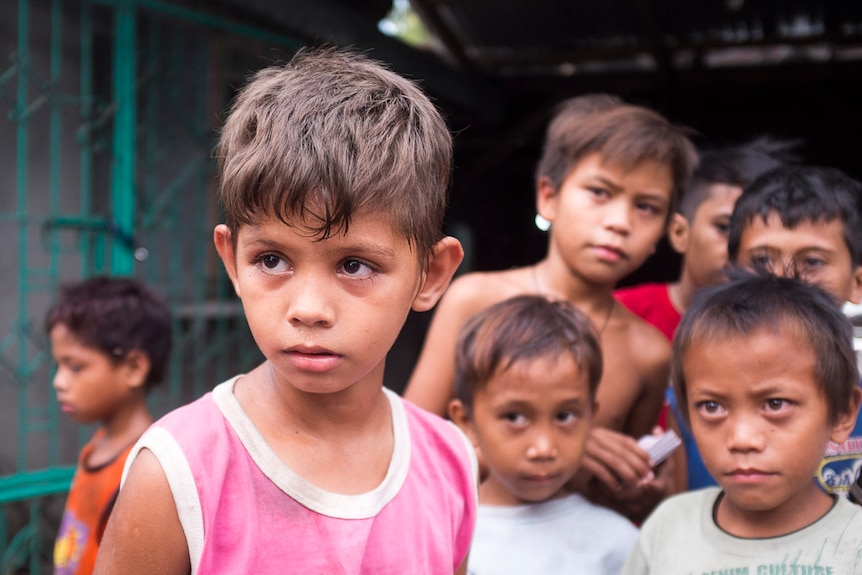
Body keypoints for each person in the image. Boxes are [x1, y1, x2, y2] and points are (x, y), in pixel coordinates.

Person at [94, 48, 476, 574]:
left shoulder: (451, 463)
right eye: (271, 259)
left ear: (430, 275)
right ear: (232, 260)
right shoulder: (178, 474)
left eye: (355, 266)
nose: (309, 309)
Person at [404, 93, 698, 521]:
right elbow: (413, 442)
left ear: (665, 231)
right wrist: (563, 444)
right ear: (549, 197)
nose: (619, 221)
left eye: (646, 207)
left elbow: (626, 492)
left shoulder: (648, 353)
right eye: (600, 192)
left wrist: (639, 494)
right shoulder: (475, 299)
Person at [622, 272, 862, 574]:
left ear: (841, 413)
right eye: (712, 407)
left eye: (776, 404)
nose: (742, 439)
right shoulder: (667, 528)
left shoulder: (855, 545)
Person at [615, 137, 795, 491]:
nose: (741, 246)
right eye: (725, 226)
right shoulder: (619, 314)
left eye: (759, 232)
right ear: (680, 232)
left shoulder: (791, 335)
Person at [449, 295, 639, 575]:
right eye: (515, 417)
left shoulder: (618, 544)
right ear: (467, 422)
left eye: (565, 416)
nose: (543, 448)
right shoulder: (440, 533)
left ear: (591, 415)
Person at [726, 164, 862, 498]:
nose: (785, 278)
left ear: (858, 283)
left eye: (812, 261)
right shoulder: (704, 364)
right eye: (762, 260)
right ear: (729, 272)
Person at [48, 276, 172, 575]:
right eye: (58, 366)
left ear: (133, 368)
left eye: (75, 366)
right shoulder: (98, 444)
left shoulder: (142, 473)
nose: (59, 382)